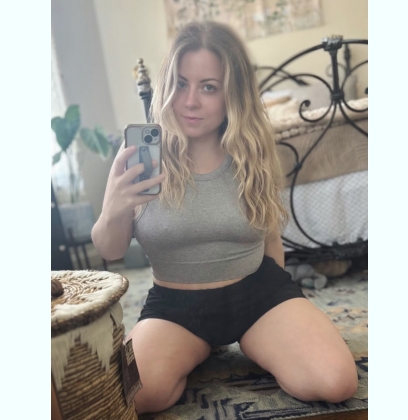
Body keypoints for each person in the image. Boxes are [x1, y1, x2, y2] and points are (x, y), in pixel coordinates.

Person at [92, 21, 358, 415]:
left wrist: (281, 314)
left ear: (232, 93)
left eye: (208, 87)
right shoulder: (142, 155)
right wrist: (113, 206)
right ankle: (198, 346)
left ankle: (255, 342)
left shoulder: (251, 151)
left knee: (335, 382)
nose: (190, 101)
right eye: (181, 84)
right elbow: (110, 250)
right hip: (174, 306)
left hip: (256, 293)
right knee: (133, 395)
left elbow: (270, 237)